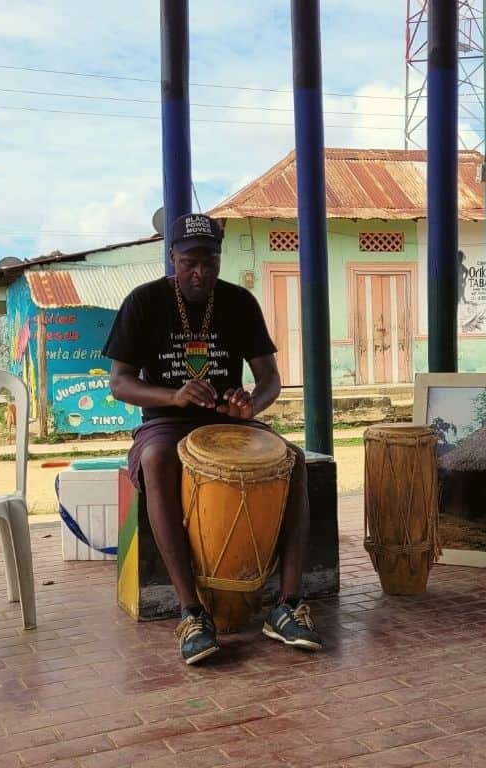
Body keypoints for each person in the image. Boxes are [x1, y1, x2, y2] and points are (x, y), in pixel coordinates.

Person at [103, 212, 322, 665]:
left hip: (230, 424)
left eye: (209, 261)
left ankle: (286, 604)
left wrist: (251, 405)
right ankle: (192, 611)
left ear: (219, 259)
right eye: (189, 262)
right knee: (158, 459)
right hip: (166, 420)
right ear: (172, 258)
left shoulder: (239, 303)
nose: (200, 271)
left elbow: (270, 379)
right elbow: (120, 383)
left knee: (294, 460)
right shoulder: (143, 303)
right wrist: (174, 395)